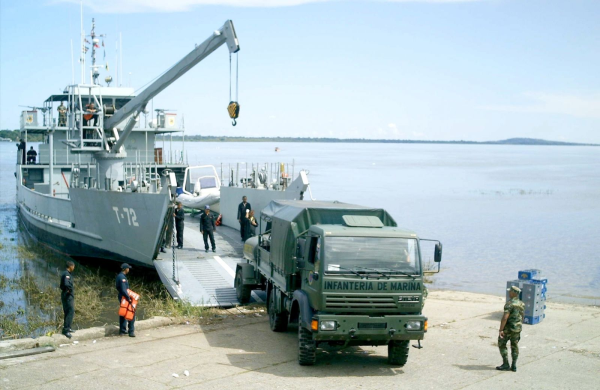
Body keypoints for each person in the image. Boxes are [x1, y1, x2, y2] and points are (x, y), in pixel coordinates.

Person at [497, 286, 525, 372]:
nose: (509, 293)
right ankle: (514, 365)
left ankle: (506, 364)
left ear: (513, 293)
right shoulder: (521, 304)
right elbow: (522, 316)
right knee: (514, 346)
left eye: (510, 292)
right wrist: (519, 326)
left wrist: (501, 330)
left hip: (508, 328)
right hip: (517, 329)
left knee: (502, 344)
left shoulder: (509, 304)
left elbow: (505, 318)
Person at [116, 263, 135, 337]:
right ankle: (131, 331)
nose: (129, 269)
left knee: (123, 313)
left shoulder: (120, 276)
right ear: (125, 269)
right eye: (128, 268)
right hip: (124, 297)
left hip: (122, 297)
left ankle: (122, 331)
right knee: (131, 312)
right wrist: (129, 298)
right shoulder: (122, 278)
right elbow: (124, 290)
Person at [60, 261, 76, 339]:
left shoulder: (65, 273)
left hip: (66, 295)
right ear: (70, 266)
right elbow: (66, 284)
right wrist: (69, 289)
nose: (74, 268)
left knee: (68, 312)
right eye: (73, 266)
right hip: (68, 296)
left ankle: (68, 328)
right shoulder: (67, 274)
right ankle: (66, 330)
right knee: (70, 311)